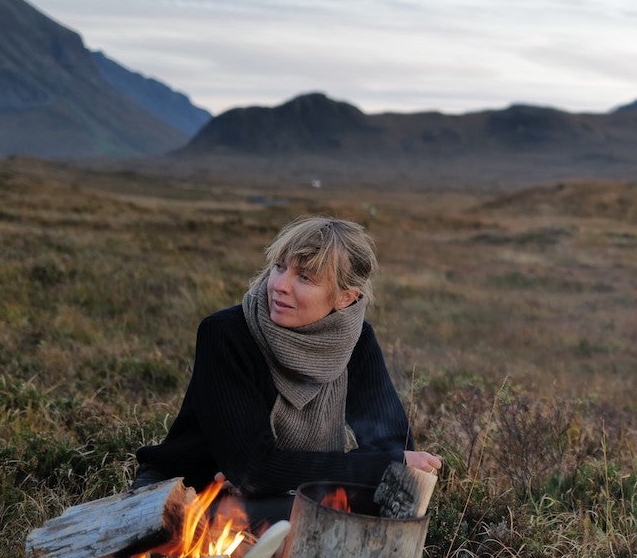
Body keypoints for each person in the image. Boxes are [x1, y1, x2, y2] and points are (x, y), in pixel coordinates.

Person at [134, 216, 440, 518]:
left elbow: (394, 447)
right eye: (279, 267)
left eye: (304, 278)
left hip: (276, 497)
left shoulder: (356, 341)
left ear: (346, 297)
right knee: (329, 508)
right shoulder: (226, 334)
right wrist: (370, 466)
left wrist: (276, 479)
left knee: (393, 501)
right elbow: (253, 469)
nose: (279, 285)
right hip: (189, 493)